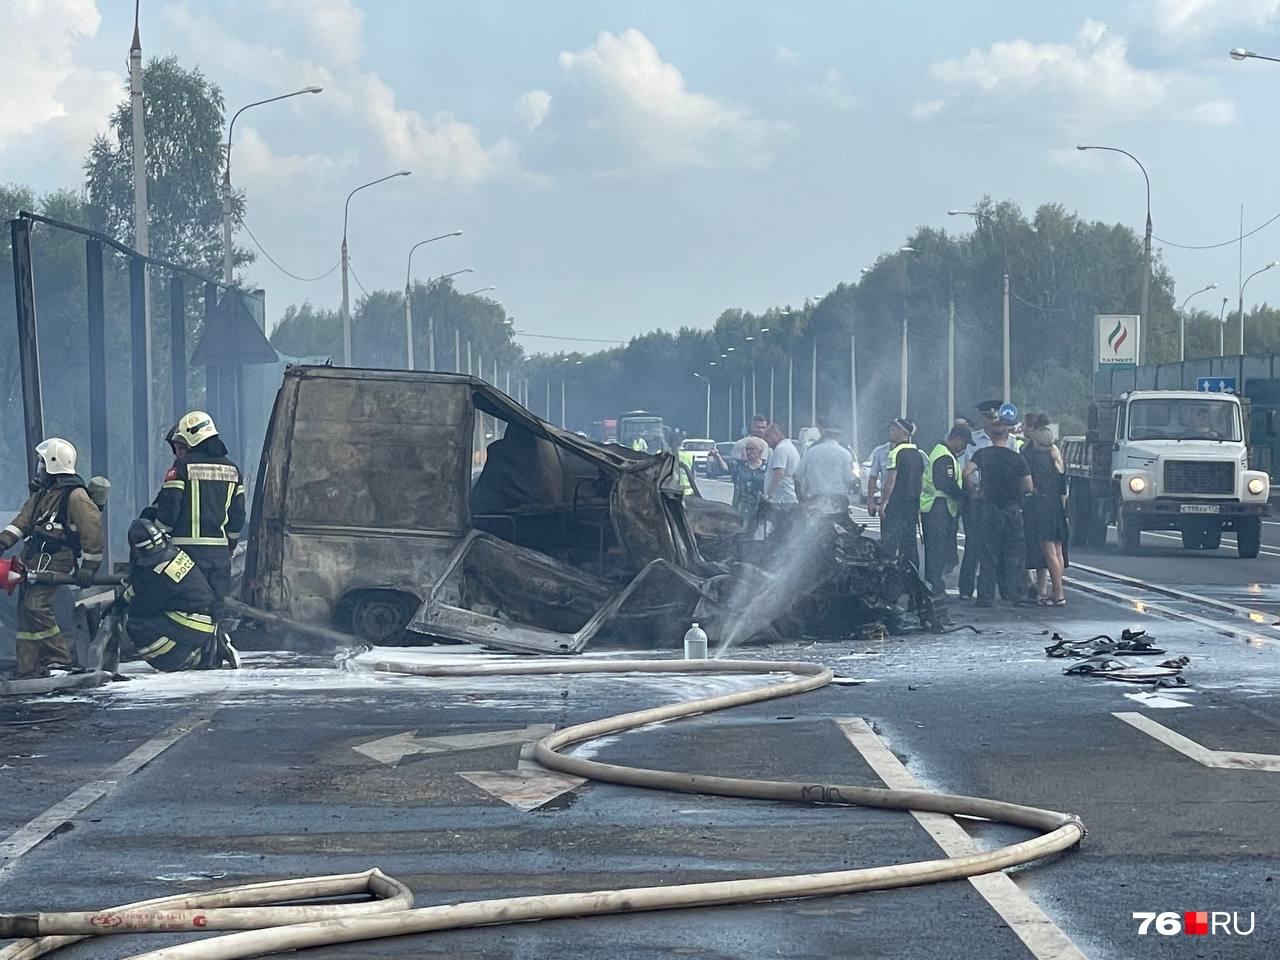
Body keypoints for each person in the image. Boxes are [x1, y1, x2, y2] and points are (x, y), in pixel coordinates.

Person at [0, 439, 104, 678]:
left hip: (56, 559)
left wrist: (89, 567)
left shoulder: (75, 495)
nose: (39, 469)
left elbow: (93, 530)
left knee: (36, 606)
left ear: (54, 464)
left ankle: (60, 661)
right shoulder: (43, 494)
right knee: (25, 613)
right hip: (32, 558)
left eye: (42, 464)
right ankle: (29, 666)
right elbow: (22, 521)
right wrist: (3, 541)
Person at [143, 411, 245, 617]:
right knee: (215, 612)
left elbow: (169, 512)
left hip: (185, 557)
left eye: (181, 444)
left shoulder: (182, 467)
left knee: (184, 609)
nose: (179, 451)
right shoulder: (233, 470)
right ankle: (217, 646)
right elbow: (238, 517)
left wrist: (157, 536)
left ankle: (188, 648)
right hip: (219, 560)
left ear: (192, 437)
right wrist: (230, 545)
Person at [120, 518, 225, 672]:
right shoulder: (176, 555)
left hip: (193, 623)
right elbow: (143, 583)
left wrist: (123, 608)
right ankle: (202, 649)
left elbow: (142, 607)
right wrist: (122, 600)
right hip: (206, 621)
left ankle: (182, 659)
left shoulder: (163, 575)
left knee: (137, 625)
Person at [964, 415, 1031, 607]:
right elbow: (1028, 485)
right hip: (1011, 508)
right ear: (1007, 435)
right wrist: (1017, 494)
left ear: (991, 436)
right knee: (1013, 552)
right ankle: (1012, 592)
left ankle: (985, 596)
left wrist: (974, 490)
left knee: (988, 552)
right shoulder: (1017, 458)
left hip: (989, 507)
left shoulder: (982, 454)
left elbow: (966, 472)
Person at [920, 425, 971, 596]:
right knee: (937, 548)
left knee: (940, 547)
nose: (963, 448)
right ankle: (936, 585)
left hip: (940, 506)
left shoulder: (943, 453)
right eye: (963, 443)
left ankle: (935, 582)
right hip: (938, 506)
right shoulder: (944, 456)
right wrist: (965, 495)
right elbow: (946, 484)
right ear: (956, 438)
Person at [1023, 426, 1068, 606]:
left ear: (1037, 441)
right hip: (1056, 506)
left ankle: (1058, 593)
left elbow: (1030, 485)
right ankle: (1057, 591)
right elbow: (1062, 491)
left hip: (1042, 506)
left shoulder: (1037, 460)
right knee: (1058, 552)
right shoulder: (1056, 459)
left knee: (1049, 553)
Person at [880, 418, 925, 565]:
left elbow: (891, 479)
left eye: (893, 430)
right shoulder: (918, 453)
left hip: (896, 504)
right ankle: (911, 574)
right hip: (912, 504)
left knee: (890, 542)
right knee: (909, 542)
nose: (890, 433)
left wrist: (884, 502)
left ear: (903, 432)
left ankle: (887, 574)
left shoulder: (895, 452)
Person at [795, 416, 853, 511]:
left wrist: (801, 498)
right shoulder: (845, 453)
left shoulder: (811, 451)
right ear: (839, 436)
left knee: (814, 524)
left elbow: (797, 476)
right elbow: (850, 478)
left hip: (815, 498)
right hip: (837, 500)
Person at [762, 422, 801, 537]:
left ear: (776, 434)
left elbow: (779, 473)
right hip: (788, 498)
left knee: (780, 531)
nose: (767, 442)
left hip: (782, 500)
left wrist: (768, 495)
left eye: (768, 437)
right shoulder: (789, 447)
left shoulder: (781, 449)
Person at [727, 436, 769, 534]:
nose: (748, 452)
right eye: (747, 449)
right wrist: (717, 456)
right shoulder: (740, 466)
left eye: (752, 449)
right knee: (739, 534)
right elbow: (725, 468)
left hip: (759, 510)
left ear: (760, 451)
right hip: (740, 510)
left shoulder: (767, 469)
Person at [864, 440, 891, 518]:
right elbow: (873, 477)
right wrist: (871, 501)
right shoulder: (881, 451)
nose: (892, 432)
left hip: (909, 502)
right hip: (887, 501)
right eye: (891, 430)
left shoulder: (915, 452)